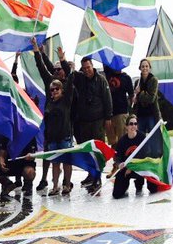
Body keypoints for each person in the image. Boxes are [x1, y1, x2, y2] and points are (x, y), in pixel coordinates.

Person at [67, 56, 111, 190]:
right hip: (83, 122)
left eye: (88, 67)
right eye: (84, 68)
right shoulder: (80, 78)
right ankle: (91, 175)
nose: (87, 70)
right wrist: (64, 61)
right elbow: (68, 72)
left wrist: (108, 117)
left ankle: (97, 179)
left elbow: (107, 99)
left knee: (97, 151)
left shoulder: (101, 80)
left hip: (97, 121)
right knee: (87, 151)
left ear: (92, 66)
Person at [42, 76, 77, 195]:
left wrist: (69, 70)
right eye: (52, 89)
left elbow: (70, 82)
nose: (55, 91)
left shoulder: (66, 101)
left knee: (67, 163)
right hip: (52, 139)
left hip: (65, 138)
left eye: (57, 89)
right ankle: (55, 186)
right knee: (55, 163)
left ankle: (67, 185)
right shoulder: (48, 103)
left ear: (62, 90)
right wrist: (46, 138)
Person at [111, 116, 158, 198]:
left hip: (141, 166)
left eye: (135, 124)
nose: (133, 126)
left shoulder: (142, 138)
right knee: (116, 194)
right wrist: (119, 164)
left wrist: (132, 167)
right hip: (126, 167)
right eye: (131, 124)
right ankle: (125, 186)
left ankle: (139, 184)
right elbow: (117, 156)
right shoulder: (122, 141)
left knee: (154, 189)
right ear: (126, 126)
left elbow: (146, 156)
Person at [133, 59, 163, 155]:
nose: (144, 68)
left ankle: (155, 157)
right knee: (140, 139)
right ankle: (142, 158)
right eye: (143, 66)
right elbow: (135, 100)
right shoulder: (137, 82)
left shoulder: (154, 80)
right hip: (140, 115)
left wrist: (140, 93)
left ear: (149, 68)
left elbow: (151, 98)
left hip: (151, 115)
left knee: (153, 138)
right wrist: (135, 97)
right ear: (140, 68)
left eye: (146, 66)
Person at [105, 65, 134, 147]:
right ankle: (116, 158)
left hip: (121, 113)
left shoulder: (126, 77)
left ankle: (124, 158)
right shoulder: (108, 75)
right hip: (109, 114)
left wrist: (130, 109)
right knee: (113, 141)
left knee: (123, 139)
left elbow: (131, 95)